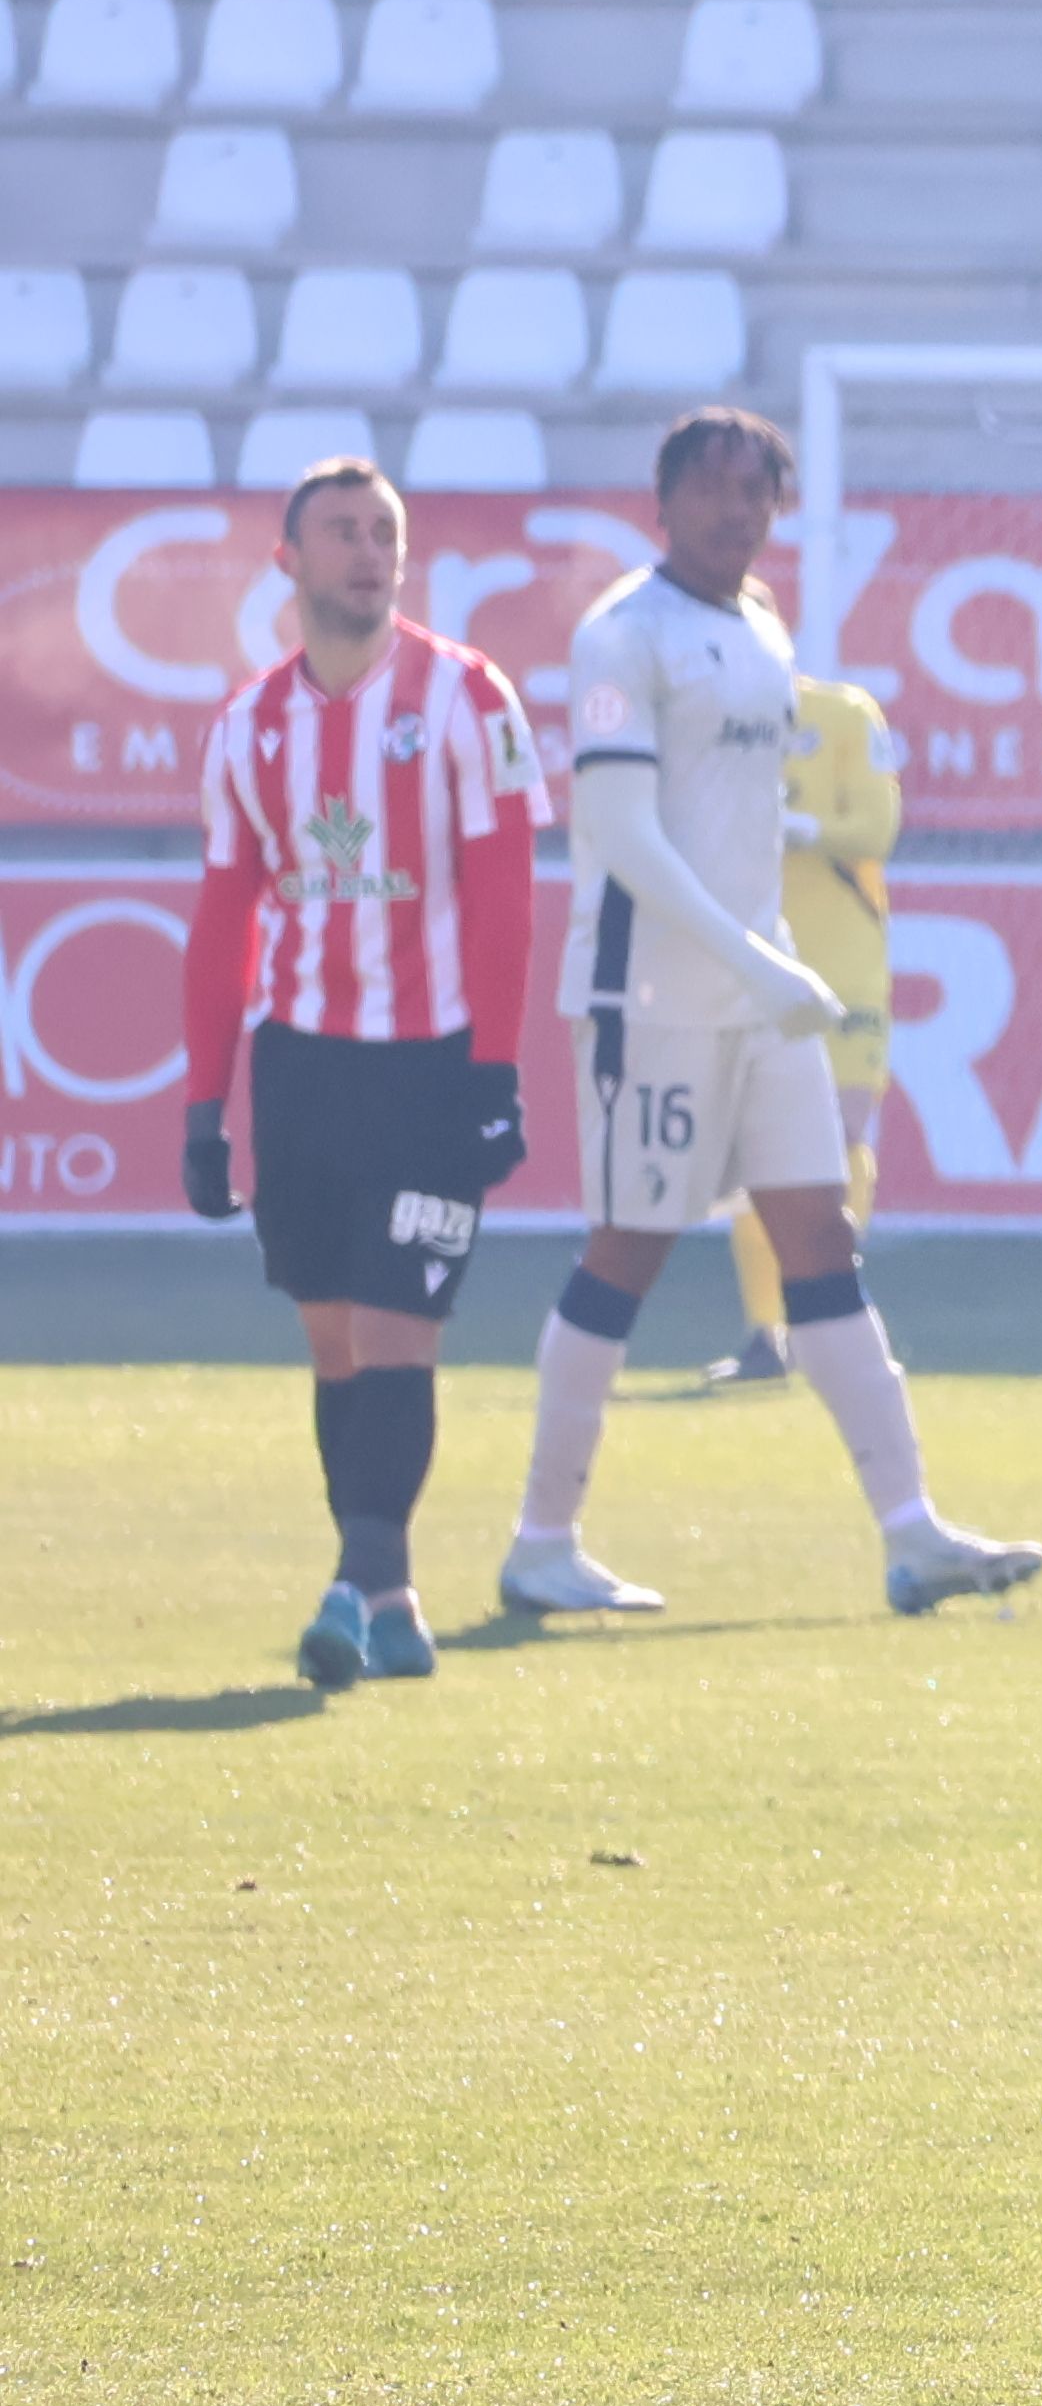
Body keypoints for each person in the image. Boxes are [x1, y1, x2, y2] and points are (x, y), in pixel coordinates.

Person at [503, 411, 1042, 1629]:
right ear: (662, 500)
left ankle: (914, 1534)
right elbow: (626, 840)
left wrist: (771, 961)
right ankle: (542, 1540)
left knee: (822, 1242)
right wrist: (756, 958)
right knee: (628, 1250)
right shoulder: (621, 636)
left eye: (757, 491)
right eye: (712, 487)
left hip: (760, 996)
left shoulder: (760, 630)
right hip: (650, 1000)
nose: (736, 510)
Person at [174, 458, 549, 1690]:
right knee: (335, 1345)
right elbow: (225, 911)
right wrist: (202, 1105)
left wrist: (494, 1071)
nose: (367, 550)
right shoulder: (248, 725)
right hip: (302, 1074)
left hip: (431, 1074)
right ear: (288, 559)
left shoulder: (465, 697)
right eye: (340, 530)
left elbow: (503, 899)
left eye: (384, 530)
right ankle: (388, 1595)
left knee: (400, 1333)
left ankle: (348, 1584)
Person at [706, 663, 903, 1390]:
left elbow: (878, 828)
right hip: (757, 965)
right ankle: (768, 1334)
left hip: (846, 965)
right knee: (760, 1152)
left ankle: (831, 1312)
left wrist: (801, 827)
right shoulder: (708, 726)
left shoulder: (847, 714)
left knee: (843, 1135)